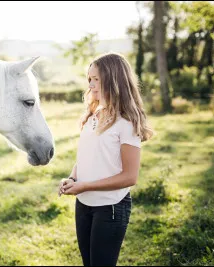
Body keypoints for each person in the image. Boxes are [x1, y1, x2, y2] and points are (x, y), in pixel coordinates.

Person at [58, 52, 154, 266]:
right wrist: (72, 179)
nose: (91, 85)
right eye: (89, 79)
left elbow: (130, 177)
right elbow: (86, 157)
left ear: (113, 79)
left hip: (110, 207)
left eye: (96, 80)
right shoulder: (92, 115)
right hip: (83, 205)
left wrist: (86, 186)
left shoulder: (127, 122)